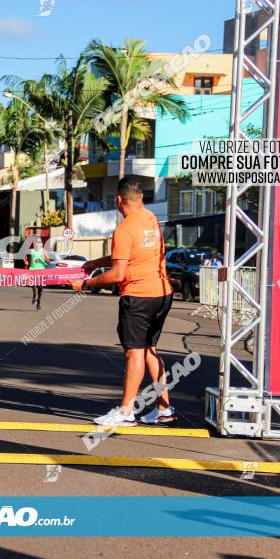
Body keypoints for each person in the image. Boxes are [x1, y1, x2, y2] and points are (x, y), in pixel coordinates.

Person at [71, 176, 175, 427]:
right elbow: (132, 255)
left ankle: (126, 411)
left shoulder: (124, 229)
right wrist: (97, 263)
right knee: (150, 350)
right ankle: (164, 409)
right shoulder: (151, 220)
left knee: (134, 353)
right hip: (162, 293)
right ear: (141, 198)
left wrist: (86, 284)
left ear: (118, 200)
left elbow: (118, 275)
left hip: (139, 296)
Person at [25, 238, 49, 311]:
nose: (37, 244)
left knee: (40, 288)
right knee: (34, 284)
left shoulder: (44, 251)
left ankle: (38, 302)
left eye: (39, 243)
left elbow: (49, 262)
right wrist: (26, 262)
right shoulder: (31, 251)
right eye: (36, 243)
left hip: (41, 271)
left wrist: (44, 258)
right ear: (34, 244)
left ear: (41, 244)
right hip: (32, 270)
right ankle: (34, 295)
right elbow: (27, 260)